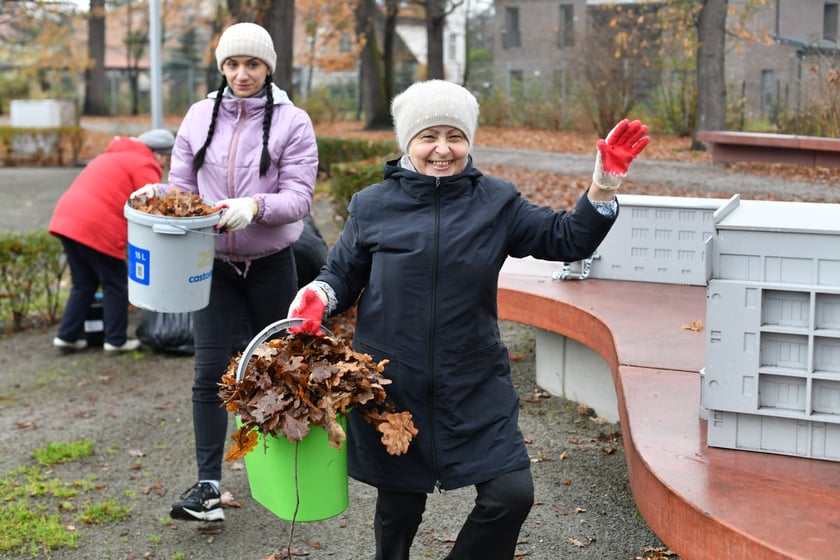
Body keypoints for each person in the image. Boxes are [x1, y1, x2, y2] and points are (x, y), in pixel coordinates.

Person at [288, 79, 649, 560]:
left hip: (474, 382)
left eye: (454, 136)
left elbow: (568, 239)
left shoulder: (496, 202)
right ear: (407, 143)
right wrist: (318, 295)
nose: (443, 149)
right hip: (394, 384)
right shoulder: (372, 205)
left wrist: (602, 185)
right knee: (399, 510)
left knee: (510, 495)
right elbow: (342, 273)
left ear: (469, 141)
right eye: (428, 137)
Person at [131, 22, 318, 522]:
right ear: (221, 68)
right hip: (208, 263)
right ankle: (208, 486)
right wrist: (164, 203)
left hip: (272, 263)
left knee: (276, 370)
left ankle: (285, 473)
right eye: (232, 64)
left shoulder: (292, 121)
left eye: (252, 64)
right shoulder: (197, 116)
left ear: (268, 68)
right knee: (209, 373)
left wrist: (253, 207)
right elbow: (180, 186)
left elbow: (300, 197)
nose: (242, 73)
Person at [49, 128, 175, 354]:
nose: (165, 165)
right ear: (157, 153)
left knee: (83, 283)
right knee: (115, 282)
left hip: (66, 219)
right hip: (96, 226)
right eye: (166, 158)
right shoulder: (144, 164)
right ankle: (115, 341)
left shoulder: (111, 156)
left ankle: (66, 337)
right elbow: (153, 207)